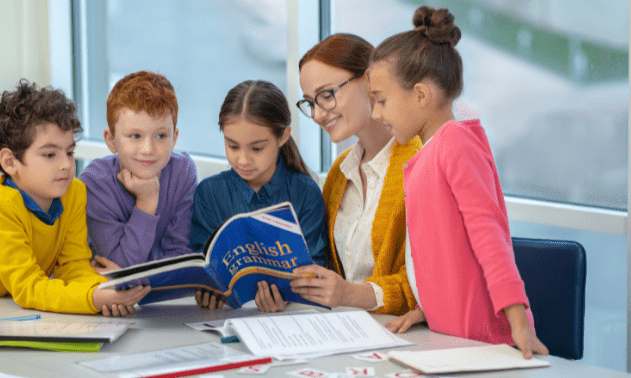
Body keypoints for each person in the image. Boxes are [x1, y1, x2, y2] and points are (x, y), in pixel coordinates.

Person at [367, 5, 548, 358]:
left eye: (381, 101)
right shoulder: (432, 150)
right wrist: (426, 309)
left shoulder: (454, 144)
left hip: (484, 341)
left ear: (421, 96)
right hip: (452, 338)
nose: (376, 114)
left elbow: (489, 236)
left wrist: (519, 320)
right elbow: (447, 256)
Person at [0, 80, 149, 316]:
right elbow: (28, 287)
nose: (65, 165)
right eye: (50, 154)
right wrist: (92, 299)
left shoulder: (74, 193)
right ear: (10, 162)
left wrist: (104, 291)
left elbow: (73, 266)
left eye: (69, 152)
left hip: (2, 304)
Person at [290, 33, 422, 315]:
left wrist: (350, 294)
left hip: (407, 336)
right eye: (310, 102)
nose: (316, 114)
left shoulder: (419, 163)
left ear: (369, 80)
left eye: (326, 95)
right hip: (347, 331)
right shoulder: (340, 173)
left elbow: (428, 283)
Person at [189, 80, 328, 311]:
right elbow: (199, 261)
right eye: (233, 146)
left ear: (283, 137)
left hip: (293, 318)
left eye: (257, 149)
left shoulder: (305, 193)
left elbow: (316, 268)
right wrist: (204, 289)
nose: (243, 160)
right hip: (222, 318)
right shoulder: (209, 193)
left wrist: (287, 296)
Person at [79, 71, 197, 269]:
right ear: (111, 140)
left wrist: (143, 277)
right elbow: (119, 267)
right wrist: (146, 202)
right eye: (135, 136)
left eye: (160, 136)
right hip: (109, 297)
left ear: (174, 138)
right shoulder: (95, 182)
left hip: (153, 296)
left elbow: (179, 256)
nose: (148, 149)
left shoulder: (182, 172)